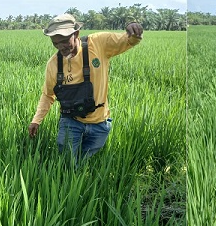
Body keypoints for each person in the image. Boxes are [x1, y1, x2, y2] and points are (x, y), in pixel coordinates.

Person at [28, 13, 143, 158]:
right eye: (55, 43)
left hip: (100, 123)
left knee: (85, 161)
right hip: (71, 121)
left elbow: (128, 40)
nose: (60, 47)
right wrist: (36, 120)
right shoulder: (54, 64)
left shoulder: (98, 44)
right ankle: (67, 179)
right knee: (67, 164)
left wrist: (133, 28)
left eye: (64, 41)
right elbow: (48, 95)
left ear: (76, 33)